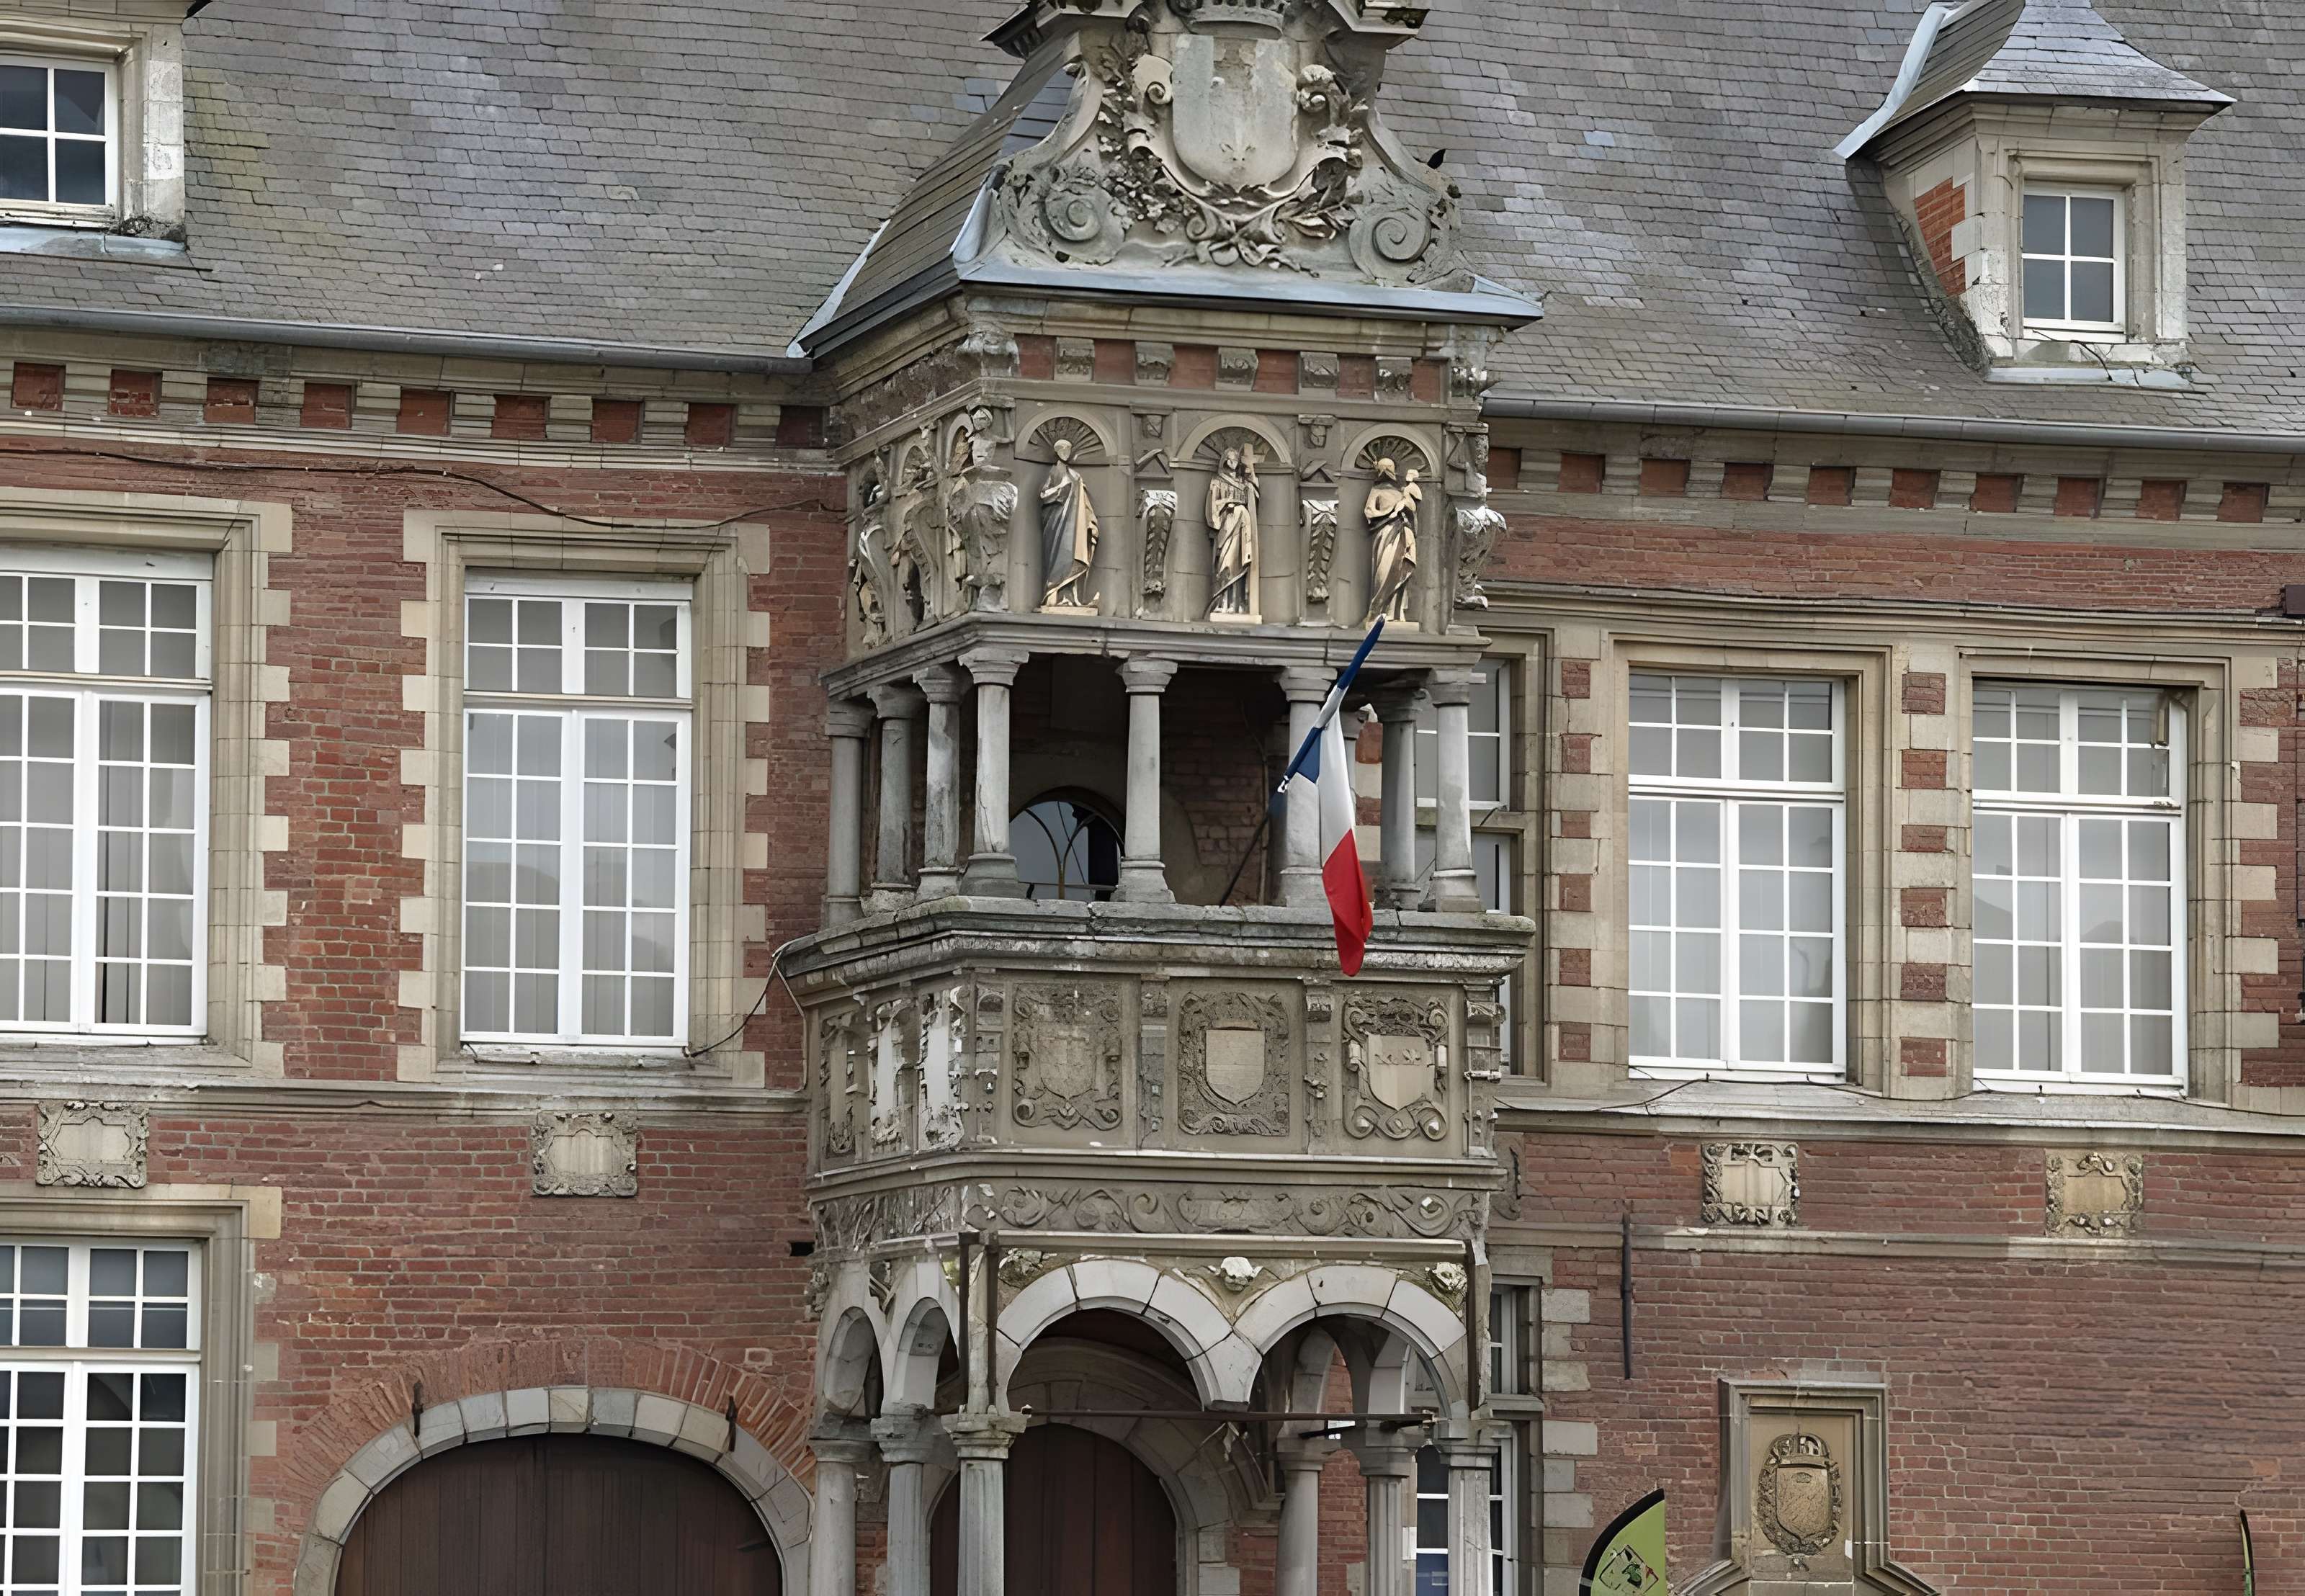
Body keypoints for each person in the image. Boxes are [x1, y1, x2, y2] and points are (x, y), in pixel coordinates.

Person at [1038, 438, 1100, 609]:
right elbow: (1044, 495)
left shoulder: (1076, 476)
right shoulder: (1054, 472)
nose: (1066, 452)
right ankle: (1053, 596)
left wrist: (1091, 521)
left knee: (1073, 557)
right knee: (1059, 559)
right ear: (1057, 452)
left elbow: (1084, 501)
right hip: (1057, 523)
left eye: (1068, 449)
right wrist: (1060, 491)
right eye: (1062, 449)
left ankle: (1070, 599)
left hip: (1075, 525)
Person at [1363, 457, 1422, 622]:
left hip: (1402, 533)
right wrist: (1390, 513)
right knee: (1384, 572)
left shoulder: (1400, 492)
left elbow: (1412, 516)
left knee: (1399, 570)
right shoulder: (1376, 491)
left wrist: (1407, 508)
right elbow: (1369, 513)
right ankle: (1377, 609)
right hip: (1384, 534)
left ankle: (1394, 613)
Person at [1207, 444, 1260, 616]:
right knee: (1225, 564)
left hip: (1242, 526)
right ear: (1225, 460)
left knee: (1239, 564)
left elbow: (1254, 500)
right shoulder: (1217, 481)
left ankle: (1236, 604)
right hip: (1227, 525)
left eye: (1236, 460)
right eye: (1230, 459)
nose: (1234, 462)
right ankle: (1221, 603)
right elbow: (1212, 505)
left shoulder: (1244, 483)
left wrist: (1252, 479)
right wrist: (1226, 504)